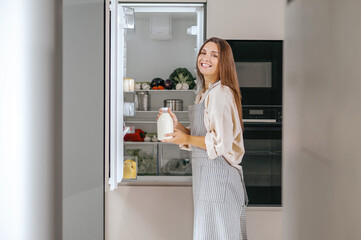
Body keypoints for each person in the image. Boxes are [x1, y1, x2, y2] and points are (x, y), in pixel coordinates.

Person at [158, 37, 248, 240]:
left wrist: (187, 139)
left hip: (219, 181)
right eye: (203, 52)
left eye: (214, 55)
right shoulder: (206, 93)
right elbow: (203, 134)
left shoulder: (221, 93)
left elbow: (220, 143)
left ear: (223, 63)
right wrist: (177, 127)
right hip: (208, 182)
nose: (205, 58)